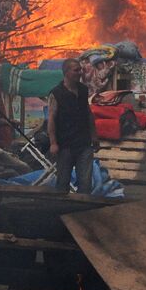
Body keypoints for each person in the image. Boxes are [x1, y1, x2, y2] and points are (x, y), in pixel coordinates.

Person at [47, 57, 95, 193]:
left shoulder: (83, 90)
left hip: (84, 143)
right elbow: (51, 119)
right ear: (66, 72)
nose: (80, 73)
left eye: (80, 69)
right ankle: (61, 212)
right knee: (62, 183)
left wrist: (94, 135)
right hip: (65, 145)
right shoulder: (56, 93)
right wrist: (53, 143)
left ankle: (83, 213)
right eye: (76, 70)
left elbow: (88, 113)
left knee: (85, 184)